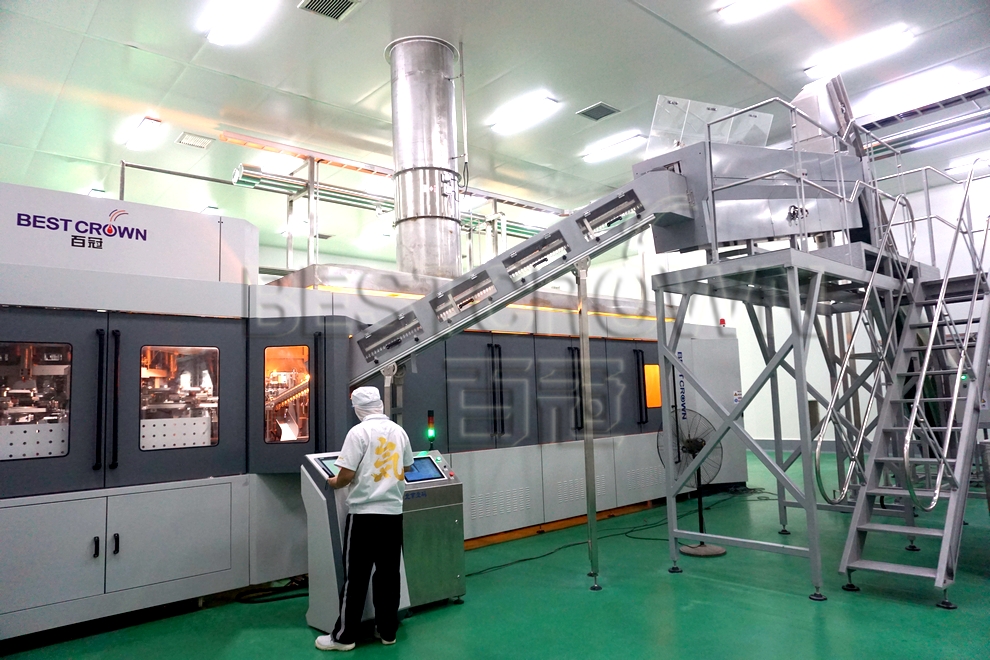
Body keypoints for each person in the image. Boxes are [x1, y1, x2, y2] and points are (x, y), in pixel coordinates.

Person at [316, 386, 414, 652]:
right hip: (392, 515)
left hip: (364, 517)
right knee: (388, 575)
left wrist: (333, 482)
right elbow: (406, 466)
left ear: (358, 409)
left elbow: (345, 475)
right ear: (380, 404)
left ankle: (345, 637)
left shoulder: (358, 433)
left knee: (356, 578)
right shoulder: (399, 431)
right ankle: (387, 631)